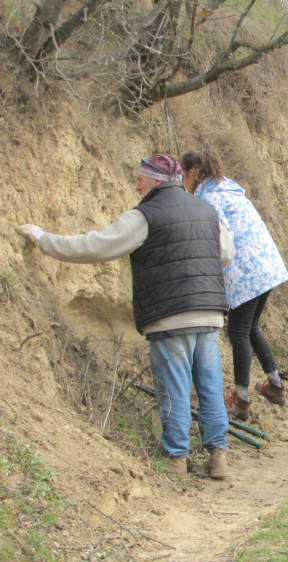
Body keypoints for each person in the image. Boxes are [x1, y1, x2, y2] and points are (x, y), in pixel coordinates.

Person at [18, 154, 235, 479]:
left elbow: (96, 246)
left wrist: (45, 239)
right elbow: (226, 254)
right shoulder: (207, 211)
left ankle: (175, 461)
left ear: (156, 182)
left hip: (169, 315)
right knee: (210, 385)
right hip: (209, 313)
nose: (136, 184)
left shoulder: (145, 215)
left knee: (173, 388)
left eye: (141, 178)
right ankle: (218, 458)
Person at [180, 149, 288, 420]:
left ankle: (241, 398)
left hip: (246, 271)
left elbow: (221, 239)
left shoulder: (210, 198)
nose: (182, 179)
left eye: (183, 174)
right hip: (267, 267)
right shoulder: (228, 190)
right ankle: (274, 384)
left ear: (193, 173)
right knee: (250, 327)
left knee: (238, 331)